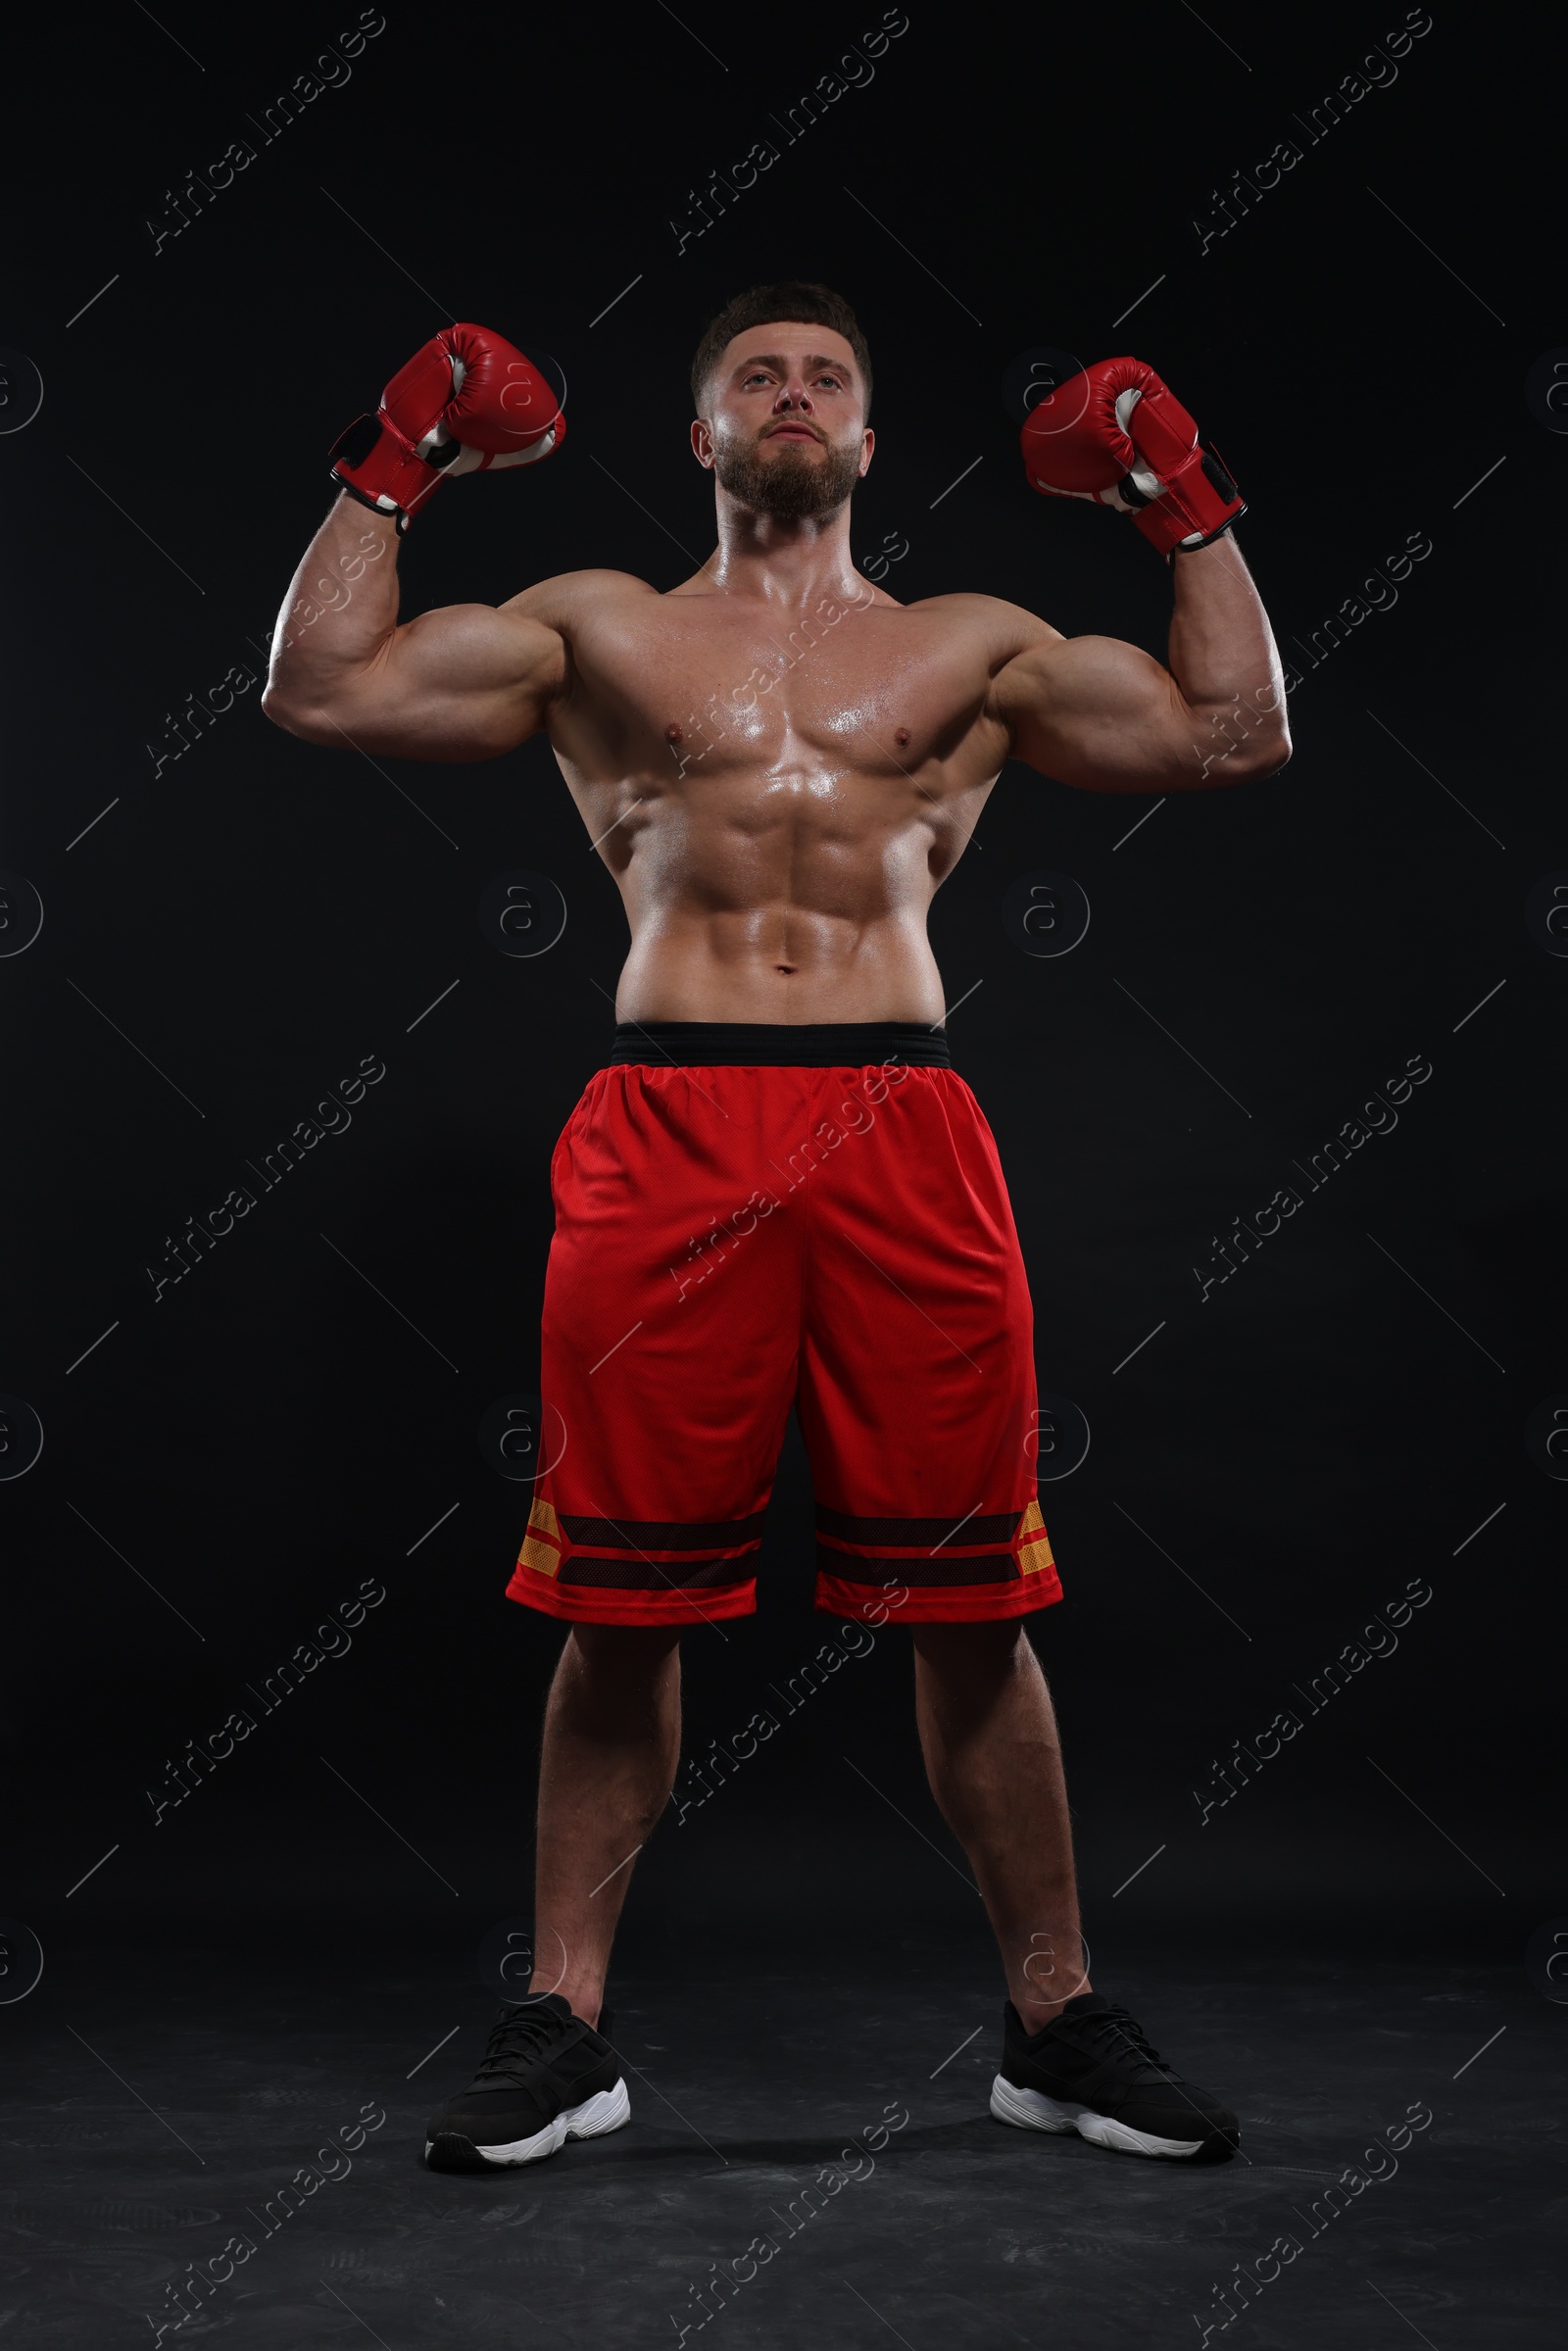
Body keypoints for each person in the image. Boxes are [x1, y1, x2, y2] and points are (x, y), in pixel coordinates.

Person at [263, 282, 1290, 2175]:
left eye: (828, 378)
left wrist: (1182, 498)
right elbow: (321, 682)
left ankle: (1056, 2025)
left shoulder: (973, 643)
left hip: (905, 1126)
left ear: (872, 442)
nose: (795, 396)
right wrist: (394, 456)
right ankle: (564, 2029)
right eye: (760, 376)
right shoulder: (600, 627)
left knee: (976, 1607)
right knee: (613, 1605)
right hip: (666, 1127)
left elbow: (1232, 731)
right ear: (705, 434)